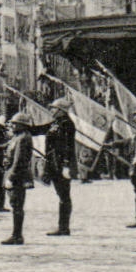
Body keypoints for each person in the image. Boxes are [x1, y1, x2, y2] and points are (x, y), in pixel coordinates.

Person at [40, 97, 76, 236]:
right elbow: (40, 129)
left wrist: (66, 165)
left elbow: (68, 146)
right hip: (54, 163)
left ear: (61, 110)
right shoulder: (56, 122)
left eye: (54, 108)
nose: (52, 110)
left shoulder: (67, 124)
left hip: (61, 164)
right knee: (61, 194)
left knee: (64, 196)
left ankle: (64, 227)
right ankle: (62, 227)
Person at [0, 109, 34, 245]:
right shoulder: (17, 137)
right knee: (15, 205)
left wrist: (11, 177)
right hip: (13, 173)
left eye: (15, 124)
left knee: (17, 206)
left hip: (18, 176)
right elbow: (7, 148)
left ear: (22, 125)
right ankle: (16, 234)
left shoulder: (23, 138)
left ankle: (17, 235)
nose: (12, 126)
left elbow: (19, 160)